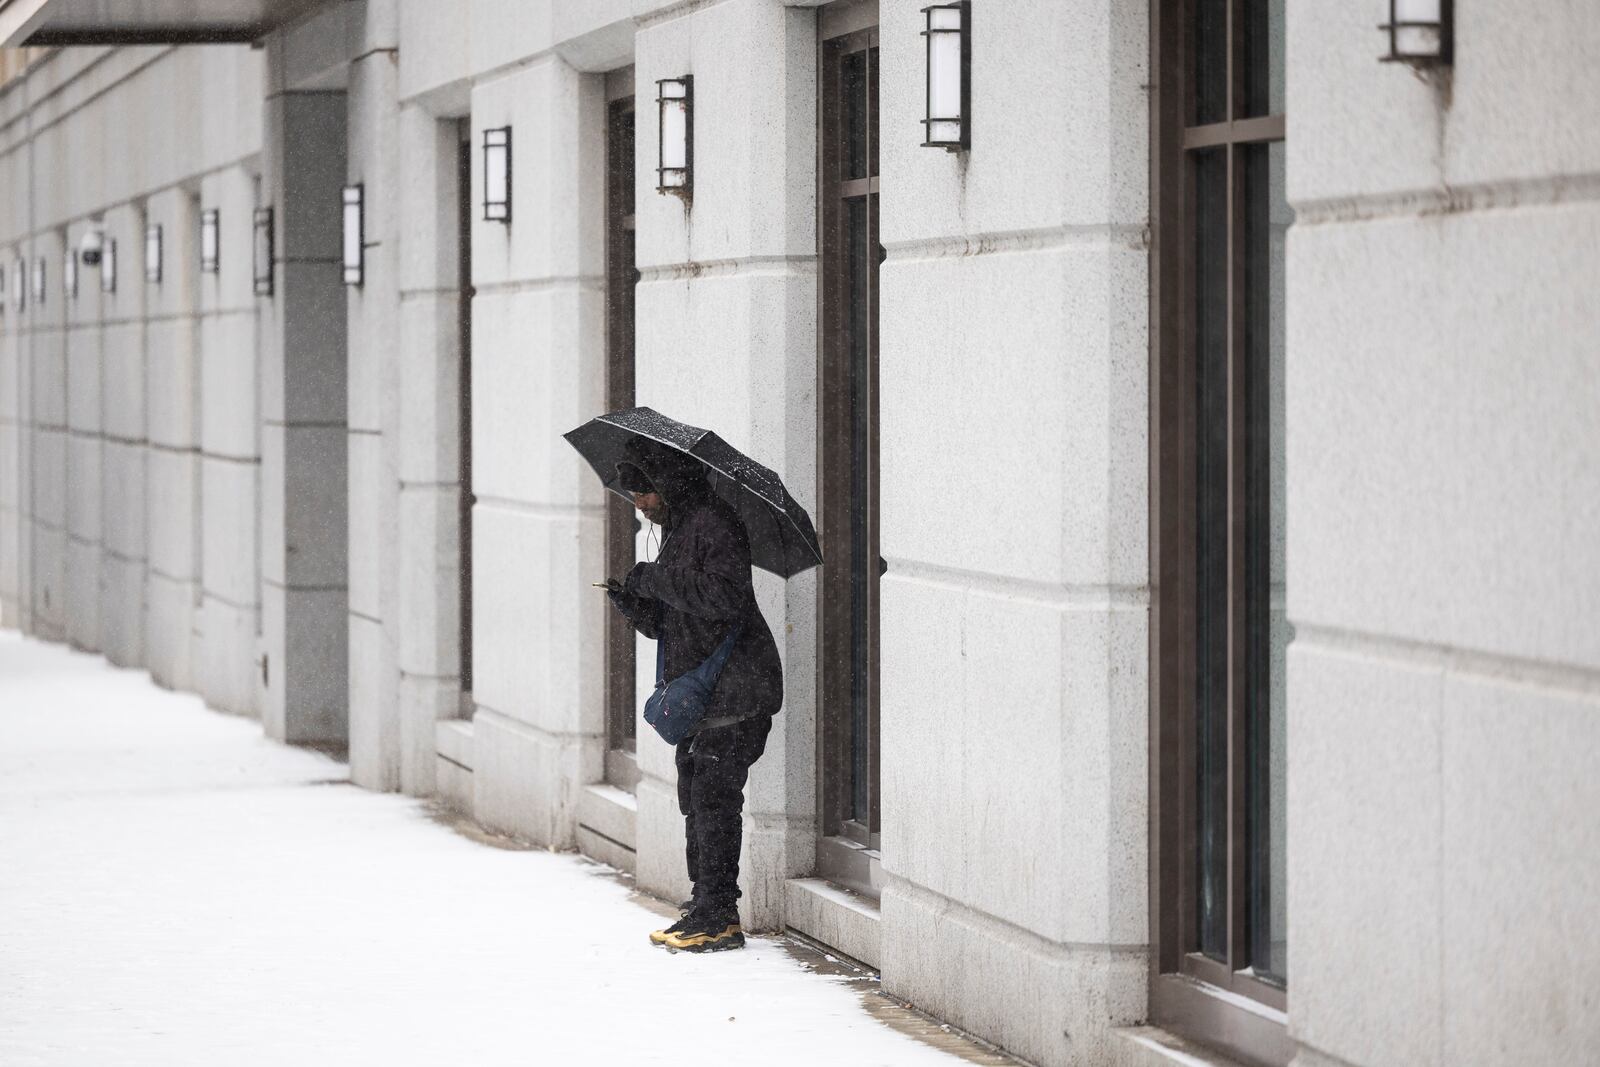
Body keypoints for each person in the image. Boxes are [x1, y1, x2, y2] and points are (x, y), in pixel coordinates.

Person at [606, 442, 784, 953]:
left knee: (714, 799)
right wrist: (634, 604)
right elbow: (678, 619)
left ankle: (717, 914)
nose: (638, 503)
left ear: (666, 484)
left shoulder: (714, 524)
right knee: (698, 798)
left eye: (642, 491)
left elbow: (724, 599)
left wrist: (655, 579)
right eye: (632, 494)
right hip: (708, 694)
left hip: (736, 690)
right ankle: (705, 906)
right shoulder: (681, 529)